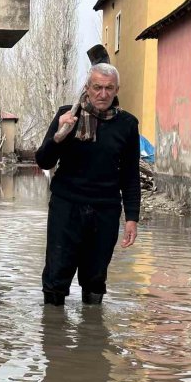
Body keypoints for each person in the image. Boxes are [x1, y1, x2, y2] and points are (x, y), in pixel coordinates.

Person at [35, 63, 140, 306]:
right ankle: (53, 333)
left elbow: (130, 175)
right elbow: (43, 161)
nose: (103, 94)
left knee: (95, 277)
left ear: (116, 90)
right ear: (87, 88)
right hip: (66, 206)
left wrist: (132, 218)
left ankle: (92, 331)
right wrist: (59, 136)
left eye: (109, 88)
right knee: (56, 274)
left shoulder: (127, 124)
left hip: (105, 210)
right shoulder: (68, 115)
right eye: (97, 87)